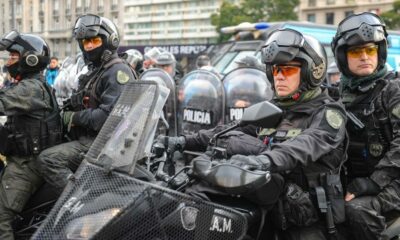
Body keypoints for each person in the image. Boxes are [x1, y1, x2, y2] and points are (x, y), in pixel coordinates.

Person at [159, 29, 348, 239]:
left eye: (288, 71)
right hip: (268, 206)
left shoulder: (328, 113)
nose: (279, 77)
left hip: (305, 218)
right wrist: (183, 141)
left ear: (312, 71)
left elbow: (305, 145)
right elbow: (232, 129)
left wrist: (264, 160)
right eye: (275, 71)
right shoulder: (275, 108)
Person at [35, 14, 135, 195]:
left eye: (94, 41)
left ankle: (80, 200)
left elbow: (107, 118)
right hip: (88, 138)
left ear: (108, 41)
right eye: (84, 42)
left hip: (103, 143)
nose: (88, 46)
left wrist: (73, 117)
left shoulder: (118, 71)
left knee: (48, 159)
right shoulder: (96, 71)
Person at [331, 12, 400, 240]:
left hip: (393, 181)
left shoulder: (393, 90)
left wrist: (373, 182)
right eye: (355, 51)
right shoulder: (336, 95)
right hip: (354, 180)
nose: (364, 57)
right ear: (343, 56)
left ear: (379, 52)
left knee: (358, 210)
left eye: (370, 50)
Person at [0, 30, 62, 240]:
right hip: (22, 158)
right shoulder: (30, 85)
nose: (9, 62)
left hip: (27, 164)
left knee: (0, 218)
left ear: (30, 59)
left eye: (13, 57)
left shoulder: (31, 88)